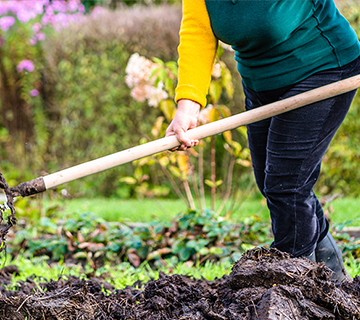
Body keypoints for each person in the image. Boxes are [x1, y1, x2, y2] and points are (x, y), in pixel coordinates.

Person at [165, 0, 360, 282]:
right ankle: (334, 280)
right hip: (261, 84)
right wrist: (187, 106)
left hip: (322, 68)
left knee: (286, 185)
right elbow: (198, 32)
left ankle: (294, 285)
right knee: (277, 184)